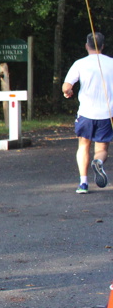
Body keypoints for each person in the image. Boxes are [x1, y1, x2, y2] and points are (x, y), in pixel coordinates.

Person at [62, 32, 113, 194]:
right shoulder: (111, 63)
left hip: (85, 113)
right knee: (102, 148)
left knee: (83, 146)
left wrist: (68, 92)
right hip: (107, 113)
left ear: (86, 46)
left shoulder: (80, 63)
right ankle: (98, 162)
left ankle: (83, 183)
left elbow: (66, 86)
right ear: (103, 46)